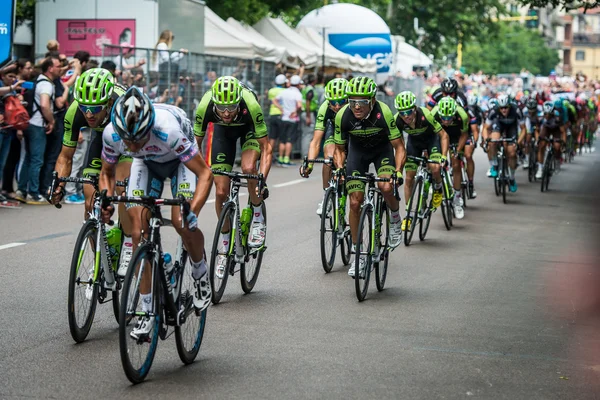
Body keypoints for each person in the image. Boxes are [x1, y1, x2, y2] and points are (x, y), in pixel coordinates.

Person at [100, 88, 213, 338]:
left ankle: (200, 272)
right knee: (138, 231)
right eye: (126, 141)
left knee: (181, 222)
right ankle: (146, 309)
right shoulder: (112, 133)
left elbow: (206, 174)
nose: (131, 145)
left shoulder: (168, 131)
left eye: (137, 139)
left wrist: (192, 211)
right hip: (146, 164)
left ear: (148, 127)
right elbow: (106, 173)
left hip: (179, 163)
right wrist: (106, 201)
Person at [50, 68, 134, 276]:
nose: (89, 113)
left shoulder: (124, 105)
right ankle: (100, 260)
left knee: (123, 192)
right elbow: (65, 156)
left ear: (107, 102)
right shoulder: (75, 111)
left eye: (95, 108)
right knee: (90, 201)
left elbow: (136, 147)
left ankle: (129, 245)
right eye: (85, 107)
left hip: (126, 143)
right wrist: (59, 184)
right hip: (101, 141)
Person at [194, 76, 272, 277]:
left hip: (249, 132)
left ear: (239, 101)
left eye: (231, 107)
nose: (226, 113)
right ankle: (224, 245)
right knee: (220, 191)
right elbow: (195, 147)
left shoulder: (250, 103)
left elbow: (266, 147)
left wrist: (262, 178)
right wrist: (199, 175)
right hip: (223, 135)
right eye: (222, 108)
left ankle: (257, 216)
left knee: (247, 168)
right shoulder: (206, 105)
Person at [333, 76, 406, 278]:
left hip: (382, 152)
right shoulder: (343, 116)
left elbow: (399, 146)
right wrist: (339, 167)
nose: (356, 106)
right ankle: (358, 254)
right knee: (355, 202)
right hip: (358, 153)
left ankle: (394, 217)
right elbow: (339, 149)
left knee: (385, 187)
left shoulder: (384, 112)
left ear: (372, 100)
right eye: (352, 101)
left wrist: (398, 171)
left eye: (362, 102)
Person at [394, 91, 448, 230]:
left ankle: (437, 187)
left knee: (434, 167)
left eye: (409, 112)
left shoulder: (426, 115)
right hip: (414, 144)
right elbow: (397, 143)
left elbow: (443, 135)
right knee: (409, 178)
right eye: (402, 112)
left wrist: (443, 156)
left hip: (432, 141)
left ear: (415, 109)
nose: (406, 116)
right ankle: (409, 215)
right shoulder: (397, 120)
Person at [15, 56, 61, 204]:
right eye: (57, 66)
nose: (60, 69)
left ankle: (21, 190)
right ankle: (33, 193)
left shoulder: (37, 80)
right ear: (50, 68)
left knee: (29, 158)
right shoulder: (46, 85)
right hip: (37, 125)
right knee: (37, 160)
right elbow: (44, 105)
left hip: (29, 123)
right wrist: (51, 121)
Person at [300, 77, 348, 215]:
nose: (337, 106)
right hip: (333, 131)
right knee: (329, 157)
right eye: (333, 102)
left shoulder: (354, 109)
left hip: (351, 133)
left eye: (341, 102)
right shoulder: (324, 107)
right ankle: (327, 194)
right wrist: (309, 164)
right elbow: (315, 140)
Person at [431, 97, 469, 219]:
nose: (446, 121)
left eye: (449, 118)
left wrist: (457, 151)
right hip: (438, 135)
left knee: (456, 164)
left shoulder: (462, 115)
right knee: (432, 161)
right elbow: (429, 136)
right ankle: (435, 183)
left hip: (455, 136)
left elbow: (464, 135)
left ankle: (457, 199)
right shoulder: (434, 114)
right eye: (444, 118)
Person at [483, 94, 526, 193]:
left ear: (509, 106)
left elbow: (523, 129)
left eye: (506, 108)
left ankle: (511, 178)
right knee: (493, 141)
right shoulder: (493, 111)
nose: (504, 110)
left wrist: (518, 142)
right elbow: (485, 128)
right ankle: (494, 165)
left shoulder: (517, 110)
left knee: (511, 152)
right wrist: (486, 140)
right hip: (499, 125)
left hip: (512, 128)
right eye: (501, 108)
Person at [272, 75, 303, 166]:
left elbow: (274, 100)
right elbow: (300, 106)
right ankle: (286, 159)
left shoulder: (284, 91)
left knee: (282, 140)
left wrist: (281, 109)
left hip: (283, 118)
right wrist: (296, 112)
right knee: (289, 140)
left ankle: (280, 158)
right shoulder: (297, 93)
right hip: (292, 119)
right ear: (298, 84)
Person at [536, 101, 566, 179]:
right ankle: (540, 168)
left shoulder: (558, 117)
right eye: (545, 113)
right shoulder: (540, 116)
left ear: (553, 112)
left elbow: (563, 131)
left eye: (549, 114)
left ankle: (557, 161)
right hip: (546, 128)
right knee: (541, 145)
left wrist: (563, 142)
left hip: (556, 129)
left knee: (557, 146)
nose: (547, 116)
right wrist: (538, 139)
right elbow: (537, 129)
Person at [267, 74, 287, 163]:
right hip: (282, 115)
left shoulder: (271, 91)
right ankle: (280, 157)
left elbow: (271, 101)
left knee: (272, 137)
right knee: (282, 138)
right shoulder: (285, 91)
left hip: (272, 114)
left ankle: (269, 156)